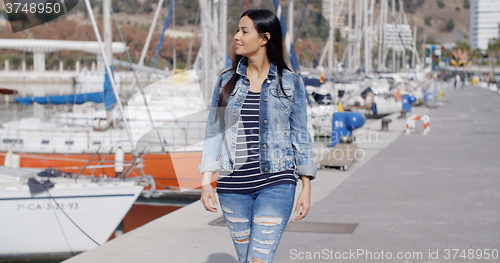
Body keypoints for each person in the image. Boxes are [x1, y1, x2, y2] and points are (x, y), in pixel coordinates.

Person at [198, 9, 317, 263]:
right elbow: (213, 132)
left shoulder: (290, 83)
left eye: (244, 31)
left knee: (258, 260)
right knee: (245, 259)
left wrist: (306, 186)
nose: (236, 36)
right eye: (237, 30)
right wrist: (206, 180)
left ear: (264, 38)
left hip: (277, 183)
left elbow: (300, 135)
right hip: (233, 188)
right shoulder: (226, 82)